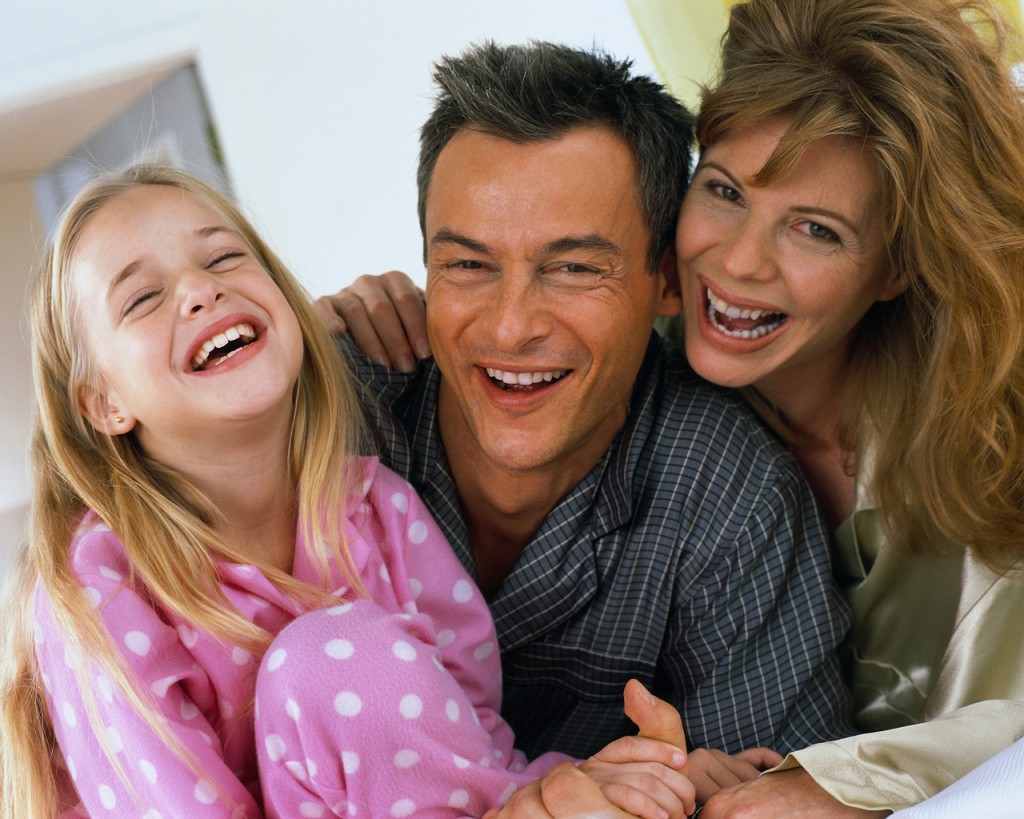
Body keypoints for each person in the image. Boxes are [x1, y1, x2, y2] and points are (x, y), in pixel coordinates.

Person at [326, 1, 1024, 815]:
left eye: (816, 230)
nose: (736, 261)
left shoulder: (753, 482)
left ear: (897, 265)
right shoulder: (375, 392)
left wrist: (828, 780)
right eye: (724, 191)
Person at [0, 164, 702, 819]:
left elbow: (465, 741)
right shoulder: (95, 586)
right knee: (329, 658)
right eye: (143, 297)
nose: (200, 289)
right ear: (102, 404)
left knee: (347, 659)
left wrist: (600, 784)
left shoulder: (376, 506)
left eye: (223, 258)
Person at [319, 37, 853, 785]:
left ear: (668, 280)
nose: (509, 327)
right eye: (468, 265)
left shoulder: (731, 495)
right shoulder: (327, 416)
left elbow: (785, 793)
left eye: (573, 268)